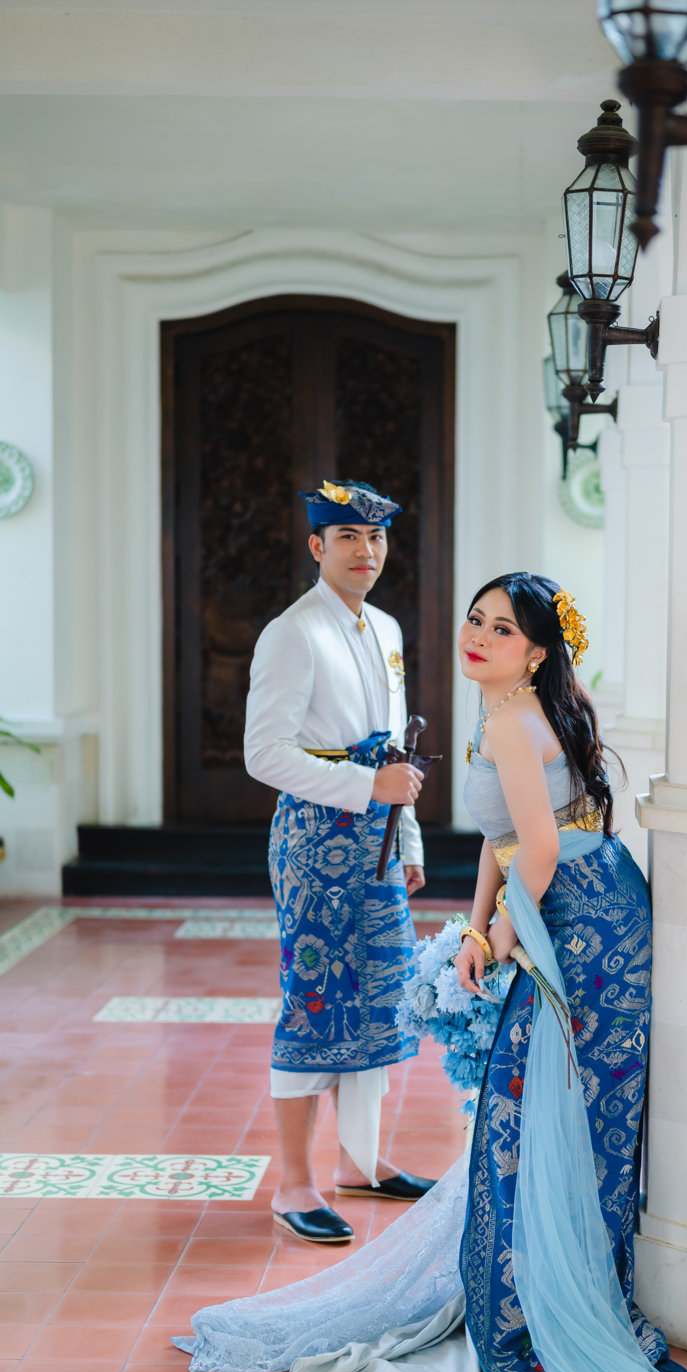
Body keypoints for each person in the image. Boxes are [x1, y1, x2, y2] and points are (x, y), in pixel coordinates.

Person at [181, 572, 687, 1372]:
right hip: (563, 905)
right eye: (476, 620)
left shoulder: (517, 721)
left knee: (546, 1108)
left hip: (584, 924)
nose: (478, 636)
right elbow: (503, 836)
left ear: (537, 650)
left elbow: (542, 850)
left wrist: (498, 940)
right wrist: (477, 923)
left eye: (502, 628)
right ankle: (530, 1281)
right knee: (534, 1105)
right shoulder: (504, 708)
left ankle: (545, 1301)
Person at [243, 478, 435, 1245]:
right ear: (317, 545)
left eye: (376, 537)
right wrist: (364, 788)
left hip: (378, 842)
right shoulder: (291, 632)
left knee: (377, 997)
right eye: (349, 536)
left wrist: (406, 838)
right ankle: (295, 1182)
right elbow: (264, 753)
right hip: (315, 845)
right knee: (315, 999)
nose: (366, 550)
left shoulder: (384, 627)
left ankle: (360, 1160)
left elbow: (394, 751)